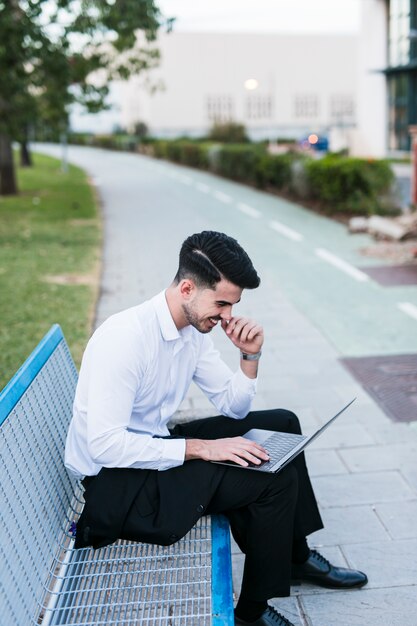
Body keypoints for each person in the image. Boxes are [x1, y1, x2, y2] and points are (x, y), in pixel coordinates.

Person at [65, 230, 367, 626]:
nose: (227, 315)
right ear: (187, 288)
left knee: (283, 424)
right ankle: (251, 614)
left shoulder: (193, 331)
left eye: (233, 305)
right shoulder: (125, 340)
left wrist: (249, 355)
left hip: (152, 449)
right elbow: (104, 446)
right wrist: (203, 448)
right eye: (221, 303)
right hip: (115, 487)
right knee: (272, 482)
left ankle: (295, 557)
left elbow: (233, 405)